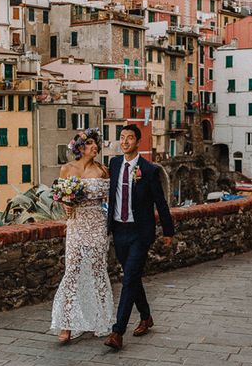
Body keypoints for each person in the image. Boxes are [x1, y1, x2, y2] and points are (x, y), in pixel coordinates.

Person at [104, 124, 174, 351]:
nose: (124, 142)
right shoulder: (114, 164)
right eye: (122, 138)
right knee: (132, 277)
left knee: (128, 278)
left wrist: (168, 231)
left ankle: (117, 332)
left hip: (140, 233)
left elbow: (160, 203)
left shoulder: (149, 170)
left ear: (138, 142)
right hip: (119, 230)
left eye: (129, 138)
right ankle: (146, 317)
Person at [51, 128, 114, 344]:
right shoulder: (67, 169)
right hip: (76, 224)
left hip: (97, 223)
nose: (94, 147)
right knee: (72, 271)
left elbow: (110, 199)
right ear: (80, 148)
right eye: (89, 144)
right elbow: (60, 197)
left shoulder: (103, 171)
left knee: (97, 270)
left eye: (96, 144)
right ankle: (67, 324)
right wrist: (66, 205)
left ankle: (101, 319)